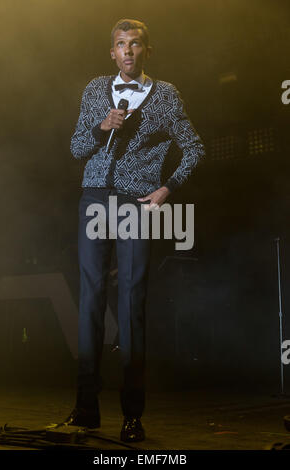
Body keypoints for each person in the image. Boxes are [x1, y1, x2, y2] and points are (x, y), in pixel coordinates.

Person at [63, 18, 205, 442]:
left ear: (146, 51)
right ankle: (86, 407)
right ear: (112, 53)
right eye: (121, 44)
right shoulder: (94, 89)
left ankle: (132, 414)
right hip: (93, 199)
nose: (128, 51)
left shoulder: (165, 96)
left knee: (131, 302)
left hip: (135, 204)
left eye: (136, 44)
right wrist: (100, 127)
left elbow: (194, 147)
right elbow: (75, 147)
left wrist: (167, 189)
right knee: (90, 300)